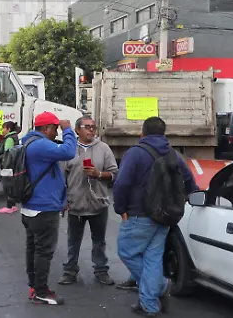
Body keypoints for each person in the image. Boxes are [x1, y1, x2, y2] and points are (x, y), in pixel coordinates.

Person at [112, 116, 198, 316]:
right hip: (165, 217)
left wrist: (120, 209)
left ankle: (159, 286)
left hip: (138, 215)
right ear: (163, 133)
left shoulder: (134, 154)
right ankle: (149, 304)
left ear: (142, 133)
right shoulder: (172, 154)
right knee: (152, 259)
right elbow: (190, 183)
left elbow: (121, 184)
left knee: (127, 252)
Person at [21, 112, 76, 305]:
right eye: (55, 128)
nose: (56, 132)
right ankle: (41, 291)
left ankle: (35, 286)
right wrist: (68, 130)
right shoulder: (41, 144)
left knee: (33, 249)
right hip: (43, 208)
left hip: (31, 207)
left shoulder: (27, 142)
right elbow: (69, 151)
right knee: (43, 251)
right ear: (45, 129)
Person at [58, 115, 118, 286]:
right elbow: (62, 178)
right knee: (73, 241)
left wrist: (98, 174)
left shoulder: (104, 149)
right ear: (77, 130)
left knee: (99, 241)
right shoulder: (69, 149)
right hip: (75, 204)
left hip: (98, 204)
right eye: (87, 127)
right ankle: (70, 271)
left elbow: (114, 173)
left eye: (93, 127)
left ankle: (101, 271)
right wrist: (63, 200)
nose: (92, 130)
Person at [0, 121, 21, 214]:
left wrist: (3, 164)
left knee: (8, 186)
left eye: (3, 128)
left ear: (8, 129)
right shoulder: (13, 137)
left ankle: (10, 207)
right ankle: (12, 206)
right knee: (11, 185)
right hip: (13, 166)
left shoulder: (9, 139)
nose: (2, 130)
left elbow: (7, 154)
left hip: (8, 166)